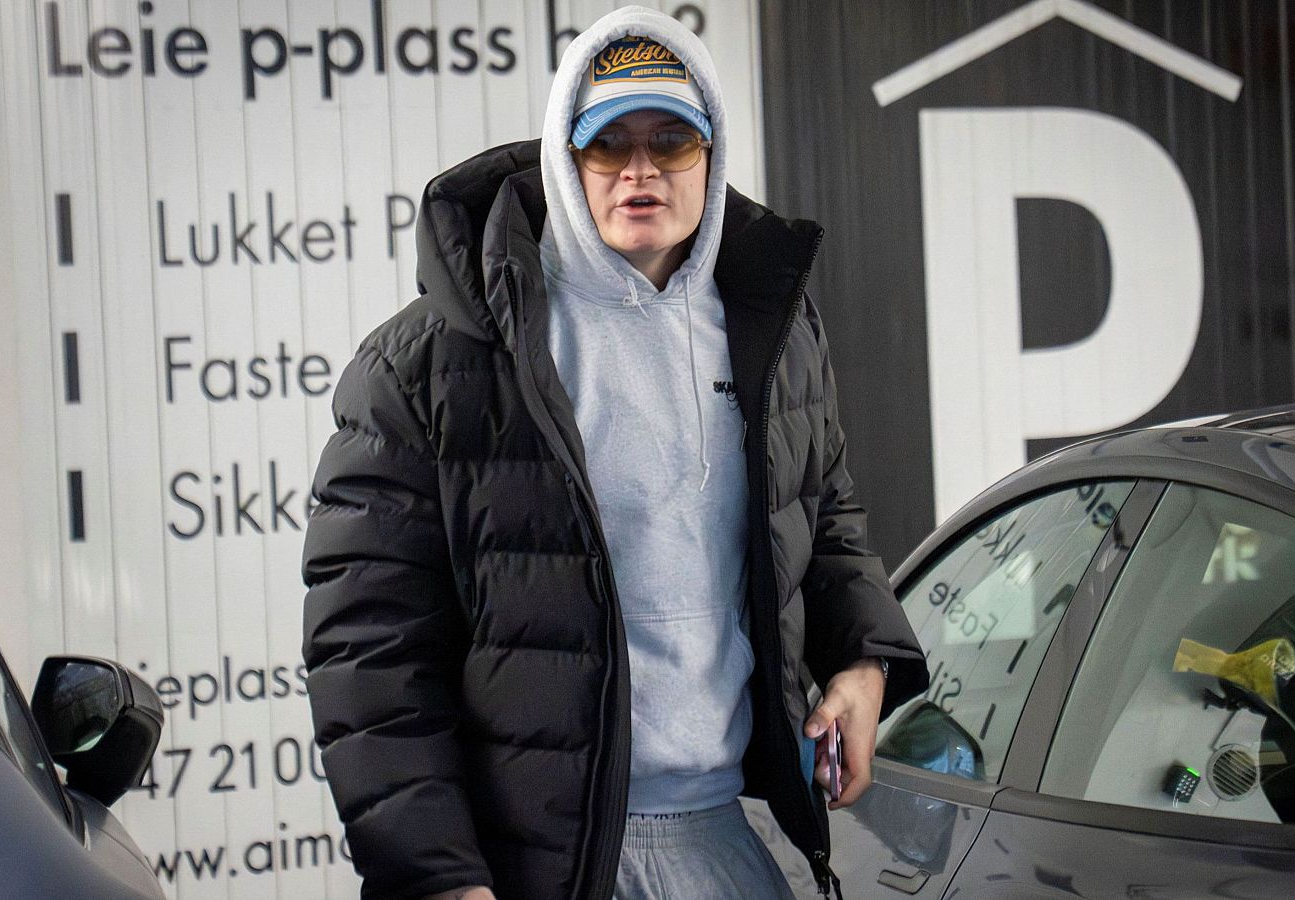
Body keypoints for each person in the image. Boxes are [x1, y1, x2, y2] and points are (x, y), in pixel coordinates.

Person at [301, 7, 925, 899]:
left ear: (712, 153)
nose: (640, 169)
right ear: (567, 157)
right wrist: (440, 876)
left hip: (732, 834)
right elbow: (372, 649)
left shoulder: (775, 334)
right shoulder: (429, 361)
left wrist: (862, 661)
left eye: (671, 139)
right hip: (538, 865)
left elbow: (825, 519)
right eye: (608, 143)